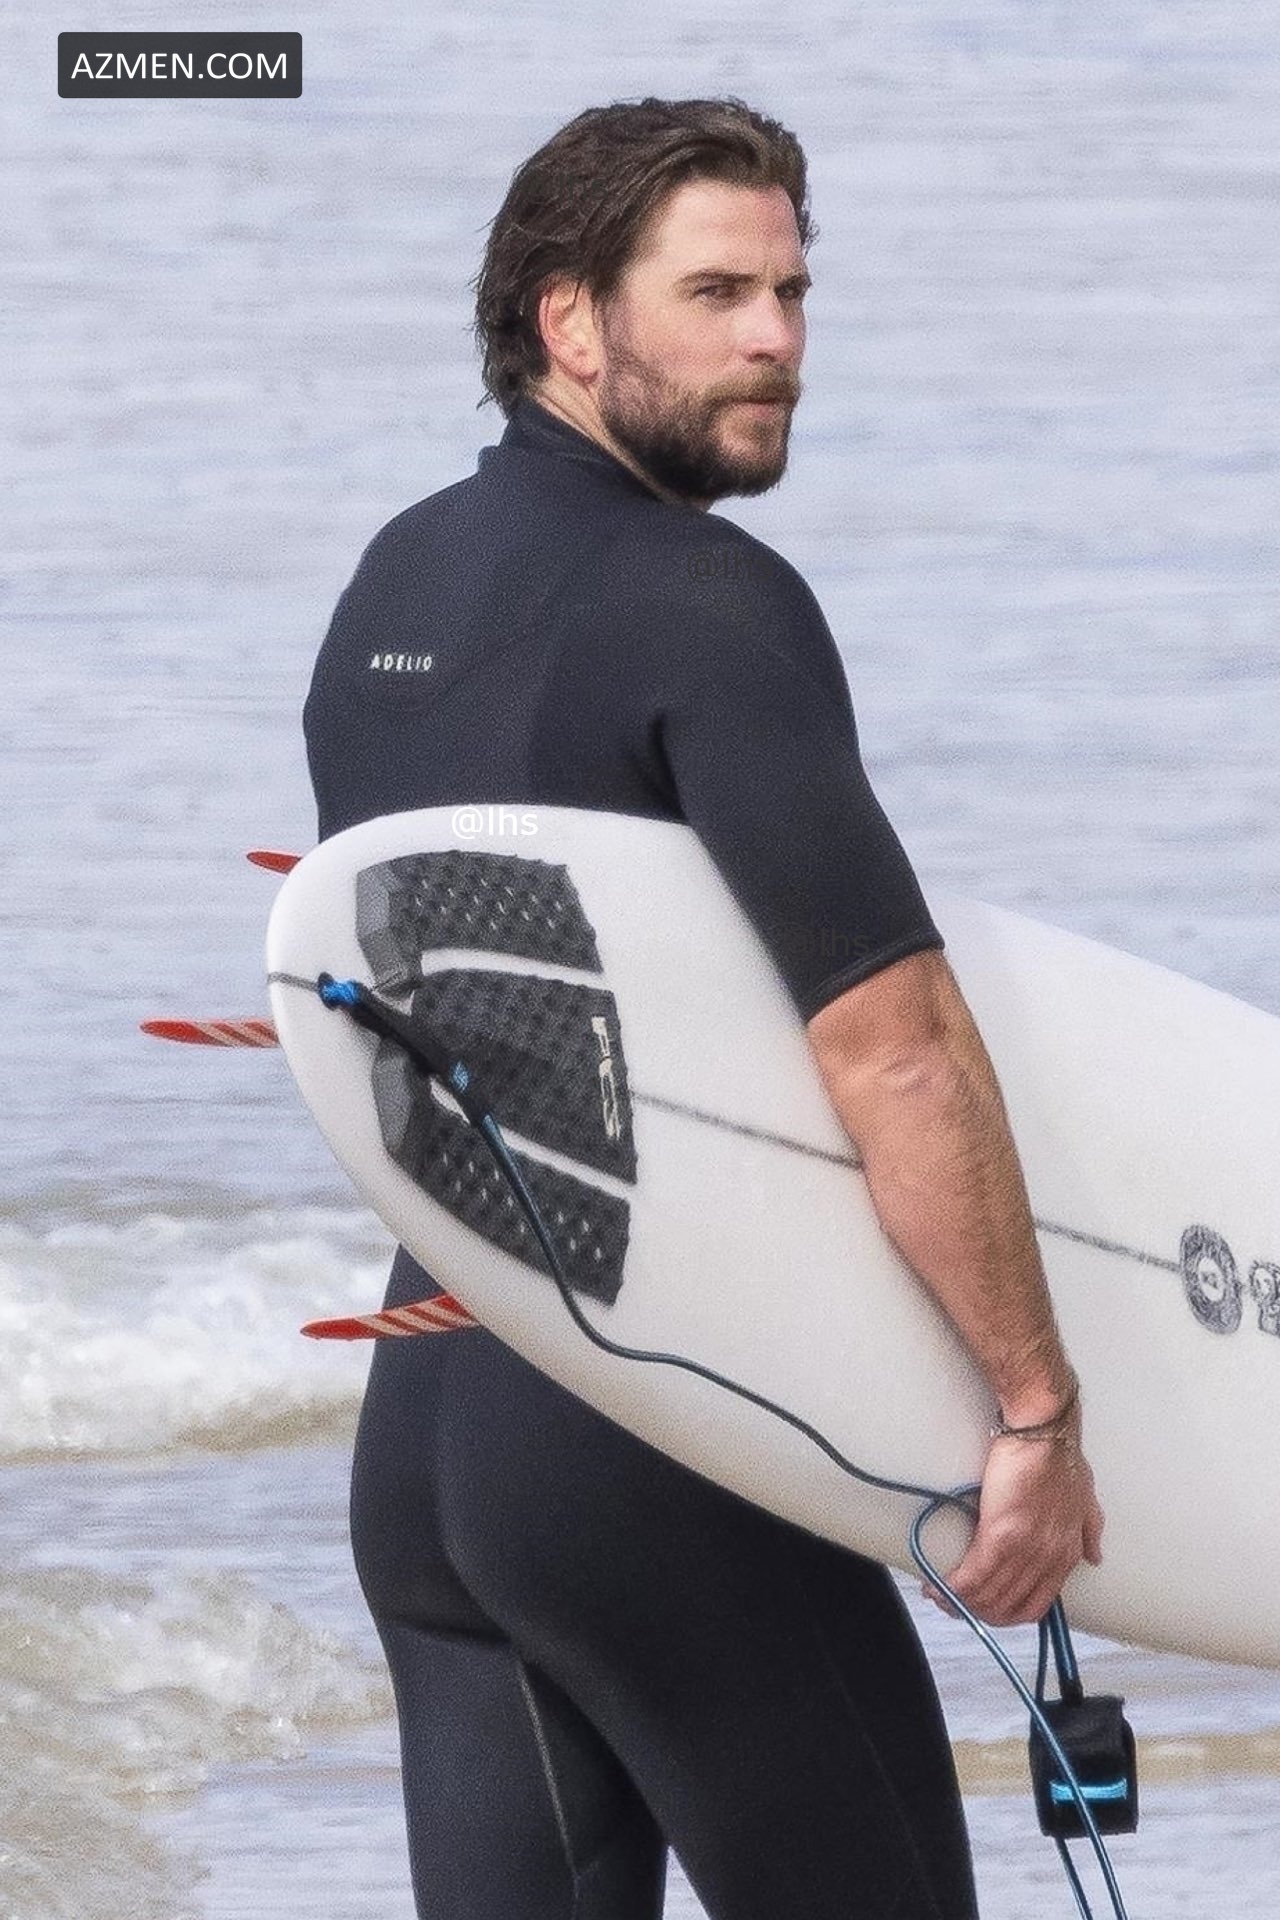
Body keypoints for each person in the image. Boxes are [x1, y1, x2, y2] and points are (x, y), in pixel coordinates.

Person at [303, 96, 1104, 1920]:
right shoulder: (705, 601)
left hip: (436, 1433)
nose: (776, 342)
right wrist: (1036, 1415)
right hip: (649, 1433)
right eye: (719, 294)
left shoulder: (393, 581)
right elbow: (894, 1049)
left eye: (794, 294)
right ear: (570, 322)